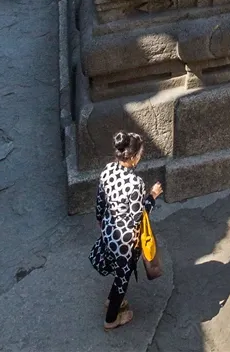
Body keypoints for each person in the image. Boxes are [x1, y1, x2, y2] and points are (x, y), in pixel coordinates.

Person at [90, 129, 162, 330]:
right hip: (125, 241)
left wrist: (101, 221)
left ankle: (112, 300)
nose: (141, 156)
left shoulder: (107, 170)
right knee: (123, 277)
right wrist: (152, 196)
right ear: (131, 157)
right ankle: (111, 318)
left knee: (117, 270)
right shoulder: (135, 183)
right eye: (140, 154)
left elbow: (100, 201)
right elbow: (138, 216)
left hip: (109, 231)